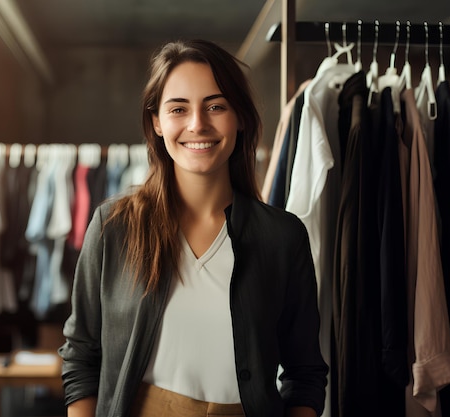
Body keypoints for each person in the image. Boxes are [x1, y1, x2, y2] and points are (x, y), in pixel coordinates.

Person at [59, 39, 328, 417]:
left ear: (240, 118)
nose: (197, 124)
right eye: (178, 109)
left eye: (216, 106)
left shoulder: (282, 238)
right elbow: (81, 356)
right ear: (157, 121)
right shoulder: (113, 228)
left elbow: (305, 374)